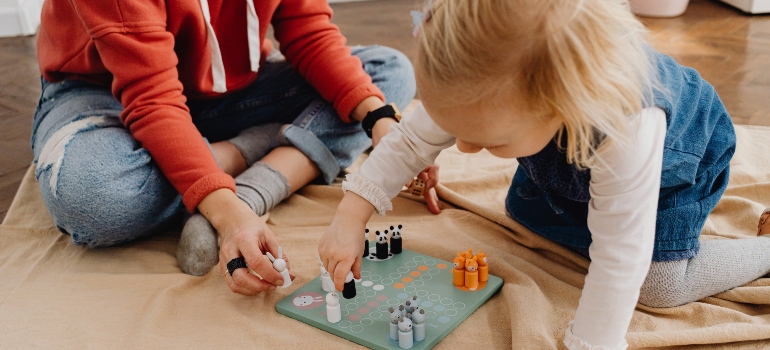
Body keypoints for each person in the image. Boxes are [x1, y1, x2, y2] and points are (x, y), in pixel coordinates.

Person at [317, 0, 770, 348]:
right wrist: (349, 218)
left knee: (658, 286)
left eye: (491, 142)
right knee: (523, 210)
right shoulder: (480, 76)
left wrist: (591, 341)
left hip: (679, 170)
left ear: (560, 103)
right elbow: (413, 141)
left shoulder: (627, 126)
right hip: (572, 163)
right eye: (457, 132)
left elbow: (620, 254)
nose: (467, 149)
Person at [31, 0, 415, 295]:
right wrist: (230, 219)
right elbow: (153, 98)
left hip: (228, 90)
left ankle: (244, 181)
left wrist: (379, 118)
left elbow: (309, 32)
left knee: (388, 75)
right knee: (93, 197)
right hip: (109, 91)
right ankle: (248, 153)